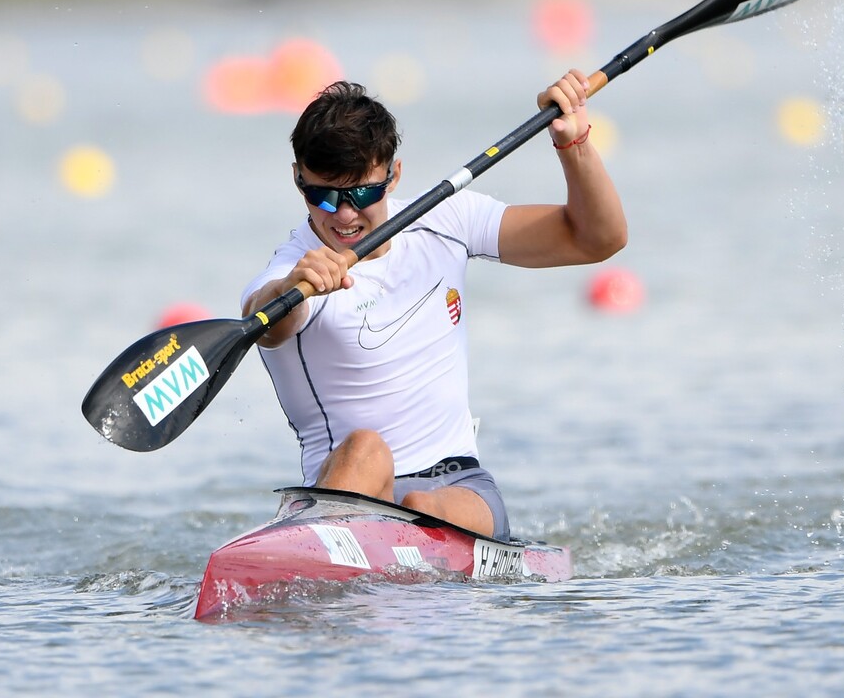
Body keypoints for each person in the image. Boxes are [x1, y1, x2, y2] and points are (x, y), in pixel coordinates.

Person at [241, 69, 627, 541]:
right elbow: (264, 322)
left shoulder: (444, 217)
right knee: (365, 448)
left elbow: (597, 239)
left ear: (394, 174)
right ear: (298, 180)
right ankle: (336, 543)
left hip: (459, 489)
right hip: (353, 490)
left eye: (362, 192)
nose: (343, 215)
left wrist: (574, 142)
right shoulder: (293, 272)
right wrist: (291, 290)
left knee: (423, 506)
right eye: (322, 194)